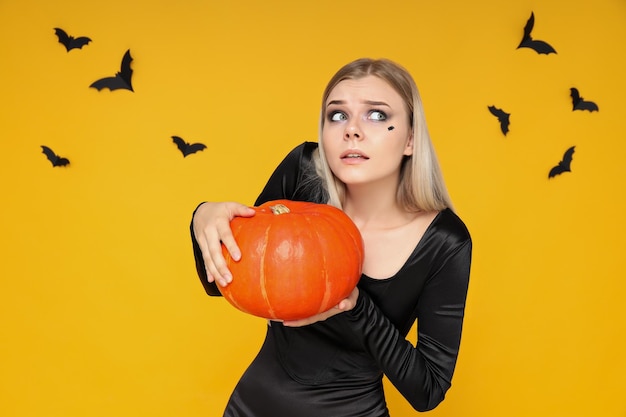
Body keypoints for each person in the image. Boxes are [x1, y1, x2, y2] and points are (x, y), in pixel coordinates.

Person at [190, 58, 472, 417]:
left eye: (376, 115)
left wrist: (354, 306)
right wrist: (202, 219)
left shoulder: (445, 242)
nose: (351, 130)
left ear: (411, 140)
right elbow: (225, 285)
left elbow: (427, 390)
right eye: (337, 116)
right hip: (254, 407)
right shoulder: (303, 174)